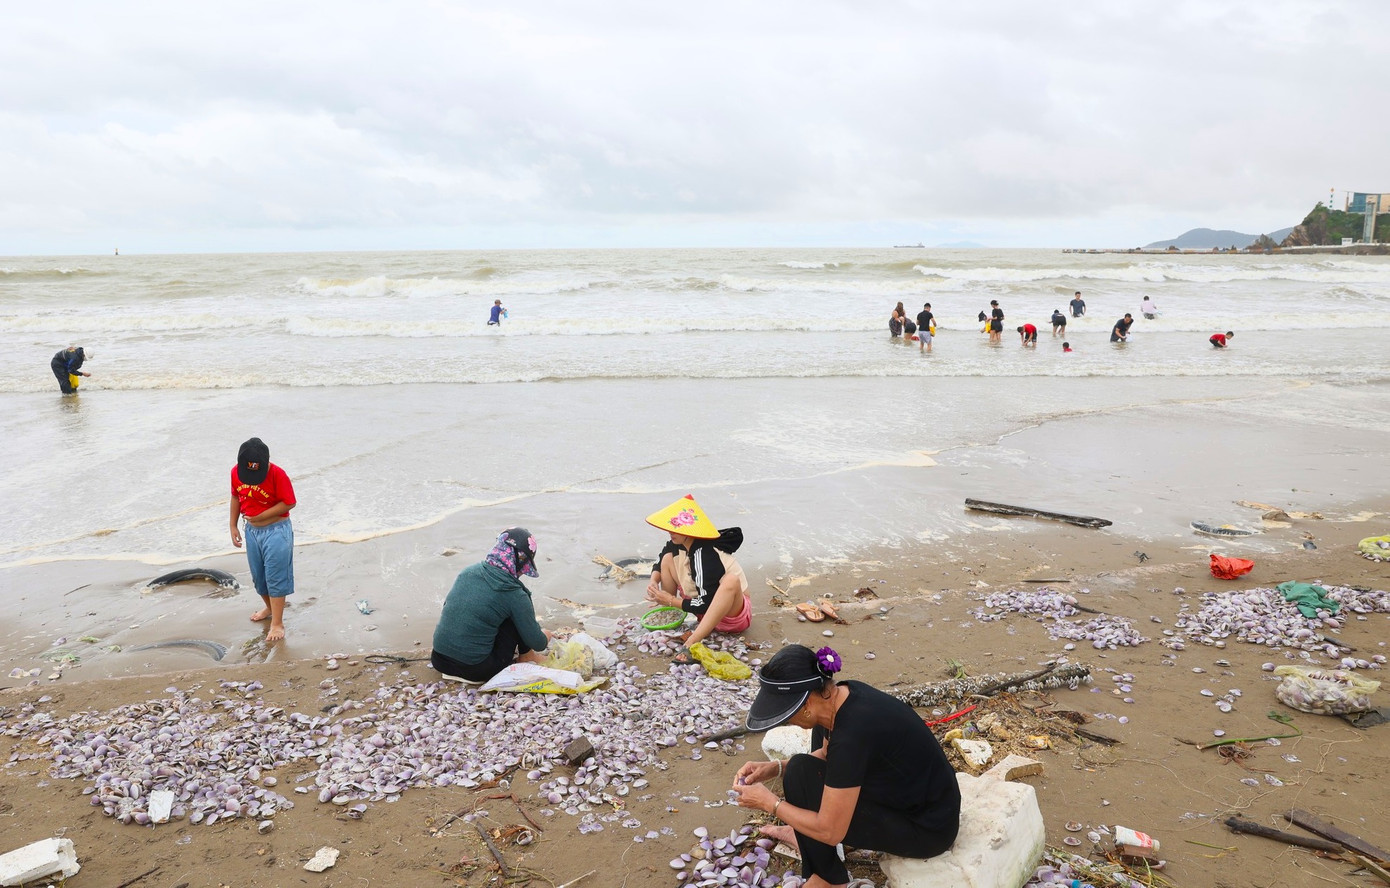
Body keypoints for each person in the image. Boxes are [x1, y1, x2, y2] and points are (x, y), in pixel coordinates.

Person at [732, 644, 961, 888]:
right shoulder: (839, 697)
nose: (788, 721)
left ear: (806, 704)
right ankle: (805, 835)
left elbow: (830, 832)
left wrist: (770, 803)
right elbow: (826, 756)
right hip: (914, 799)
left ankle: (829, 880)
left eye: (788, 715)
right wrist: (776, 767)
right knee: (802, 764)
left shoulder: (851, 737)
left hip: (927, 830)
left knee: (800, 775)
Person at [430, 528, 552, 682]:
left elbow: (451, 607)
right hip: (477, 669)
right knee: (515, 613)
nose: (522, 573)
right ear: (519, 562)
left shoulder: (467, 572)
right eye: (524, 568)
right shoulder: (514, 593)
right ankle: (527, 656)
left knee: (489, 611)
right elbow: (538, 643)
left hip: (439, 660)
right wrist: (546, 635)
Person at [644, 494, 752, 664]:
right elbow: (661, 559)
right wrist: (653, 581)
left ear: (690, 531)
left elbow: (707, 603)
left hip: (730, 616)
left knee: (731, 580)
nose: (671, 532)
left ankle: (692, 641)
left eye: (676, 528)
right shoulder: (678, 542)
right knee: (667, 558)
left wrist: (672, 600)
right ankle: (670, 615)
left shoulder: (704, 553)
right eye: (671, 527)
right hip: (702, 610)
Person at [229, 438, 296, 642]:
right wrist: (233, 525)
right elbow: (235, 497)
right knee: (259, 577)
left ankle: (277, 623)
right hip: (252, 532)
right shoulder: (235, 472)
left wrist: (261, 516)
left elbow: (289, 502)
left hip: (276, 532)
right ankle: (270, 608)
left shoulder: (277, 474)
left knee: (275, 576)